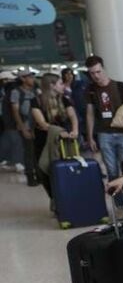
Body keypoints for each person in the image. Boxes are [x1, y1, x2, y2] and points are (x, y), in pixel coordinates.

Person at [84, 56, 123, 183]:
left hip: (122, 132)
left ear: (103, 69)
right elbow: (89, 114)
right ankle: (118, 203)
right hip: (104, 133)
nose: (96, 76)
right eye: (92, 73)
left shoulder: (119, 86)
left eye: (98, 71)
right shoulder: (90, 90)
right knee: (111, 170)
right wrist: (90, 137)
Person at [31, 73, 79, 203]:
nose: (63, 86)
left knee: (67, 168)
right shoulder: (36, 101)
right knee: (44, 171)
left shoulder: (64, 99)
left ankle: (67, 197)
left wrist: (75, 130)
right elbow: (42, 123)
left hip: (64, 140)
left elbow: (73, 116)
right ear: (51, 85)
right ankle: (54, 198)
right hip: (44, 141)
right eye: (60, 83)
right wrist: (59, 132)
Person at [9, 70, 39, 186]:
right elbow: (15, 111)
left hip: (37, 125)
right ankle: (31, 177)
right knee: (29, 152)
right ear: (22, 79)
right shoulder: (16, 92)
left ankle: (39, 175)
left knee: (37, 151)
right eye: (30, 77)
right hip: (26, 125)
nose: (32, 79)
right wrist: (22, 127)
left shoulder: (35, 91)